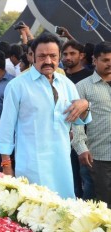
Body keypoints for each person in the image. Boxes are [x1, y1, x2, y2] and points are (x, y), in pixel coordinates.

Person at [0, 33, 91, 199]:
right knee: (34, 213)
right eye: (42, 56)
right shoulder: (17, 85)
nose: (48, 61)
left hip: (62, 163)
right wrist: (6, 165)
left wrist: (85, 105)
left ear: (59, 56)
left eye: (53, 56)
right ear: (32, 56)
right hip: (32, 165)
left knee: (63, 209)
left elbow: (79, 121)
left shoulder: (66, 84)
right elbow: (6, 128)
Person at [72, 41, 111, 207]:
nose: (110, 63)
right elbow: (76, 122)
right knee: (103, 205)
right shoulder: (82, 87)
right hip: (99, 155)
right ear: (94, 60)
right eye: (106, 60)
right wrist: (81, 147)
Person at [61, 39, 94, 199]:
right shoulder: (59, 79)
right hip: (62, 139)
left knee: (87, 181)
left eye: (72, 53)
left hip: (85, 140)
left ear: (81, 55)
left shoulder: (89, 78)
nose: (68, 57)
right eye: (65, 54)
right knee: (69, 180)